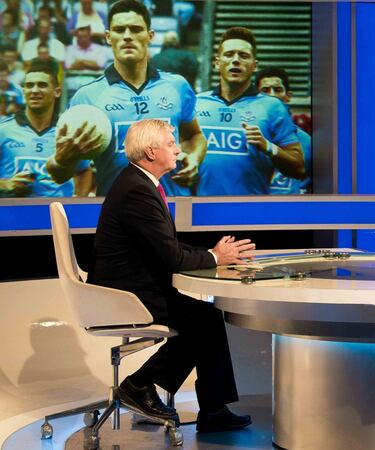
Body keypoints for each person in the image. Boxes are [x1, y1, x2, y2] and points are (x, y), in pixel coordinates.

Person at [90, 118, 254, 432]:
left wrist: (213, 255)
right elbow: (170, 257)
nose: (178, 150)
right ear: (151, 152)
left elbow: (165, 246)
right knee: (203, 322)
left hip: (134, 286)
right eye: (170, 143)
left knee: (206, 317)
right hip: (126, 294)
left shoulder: (138, 183)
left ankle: (213, 409)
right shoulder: (136, 190)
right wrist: (216, 258)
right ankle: (139, 384)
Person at [46, 0, 205, 197]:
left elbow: (194, 136)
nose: (127, 36)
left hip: (171, 210)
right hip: (118, 215)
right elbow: (61, 175)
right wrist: (62, 160)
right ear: (108, 37)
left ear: (150, 36)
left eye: (136, 29)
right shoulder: (86, 97)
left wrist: (195, 159)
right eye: (119, 30)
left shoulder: (177, 86)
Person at [194, 27, 303, 196]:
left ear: (254, 66)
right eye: (229, 54)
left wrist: (269, 147)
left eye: (243, 56)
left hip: (250, 213)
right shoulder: (197, 103)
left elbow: (299, 168)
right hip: (201, 210)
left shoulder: (272, 107)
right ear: (217, 63)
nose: (236, 60)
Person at [0, 60, 90, 196]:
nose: (35, 90)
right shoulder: (3, 130)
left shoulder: (69, 132)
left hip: (56, 214)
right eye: (29, 86)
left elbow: (84, 171)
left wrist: (76, 205)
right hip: (14, 213)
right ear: (23, 91)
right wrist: (5, 184)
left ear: (57, 92)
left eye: (42, 85)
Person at [255, 65, 311, 194]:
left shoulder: (307, 142)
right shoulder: (247, 135)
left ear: (288, 96)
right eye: (265, 90)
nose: (272, 96)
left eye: (278, 89)